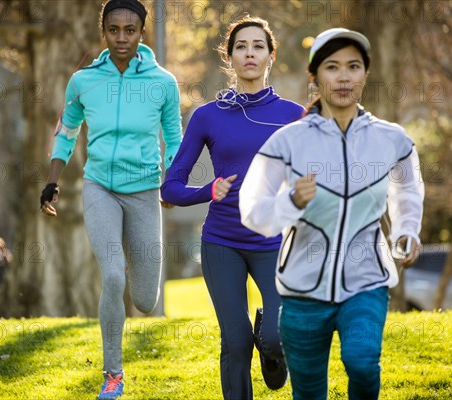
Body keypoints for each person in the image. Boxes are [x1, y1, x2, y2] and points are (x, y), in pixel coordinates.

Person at [239, 28, 425, 400]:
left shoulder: (392, 139)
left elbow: (407, 187)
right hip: (302, 285)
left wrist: (406, 230)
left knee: (362, 362)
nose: (343, 77)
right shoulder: (287, 141)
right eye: (332, 67)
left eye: (353, 67)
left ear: (365, 74)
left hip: (367, 278)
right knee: (308, 391)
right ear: (315, 77)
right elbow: (252, 208)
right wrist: (290, 201)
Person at [39, 1, 182, 399]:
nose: (122, 38)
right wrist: (53, 179)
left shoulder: (162, 82)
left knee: (145, 299)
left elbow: (174, 136)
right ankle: (113, 374)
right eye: (114, 29)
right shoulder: (83, 81)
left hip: (144, 190)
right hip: (99, 186)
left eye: (130, 30)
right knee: (113, 275)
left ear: (141, 32)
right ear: (103, 31)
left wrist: (173, 179)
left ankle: (141, 269)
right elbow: (66, 131)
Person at [161, 17, 305, 400]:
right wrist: (211, 189)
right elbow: (171, 187)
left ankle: (274, 355)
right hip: (222, 242)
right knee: (236, 342)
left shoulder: (295, 116)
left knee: (275, 337)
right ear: (230, 57)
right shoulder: (207, 116)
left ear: (271, 56)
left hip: (274, 243)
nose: (250, 53)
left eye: (259, 46)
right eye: (241, 46)